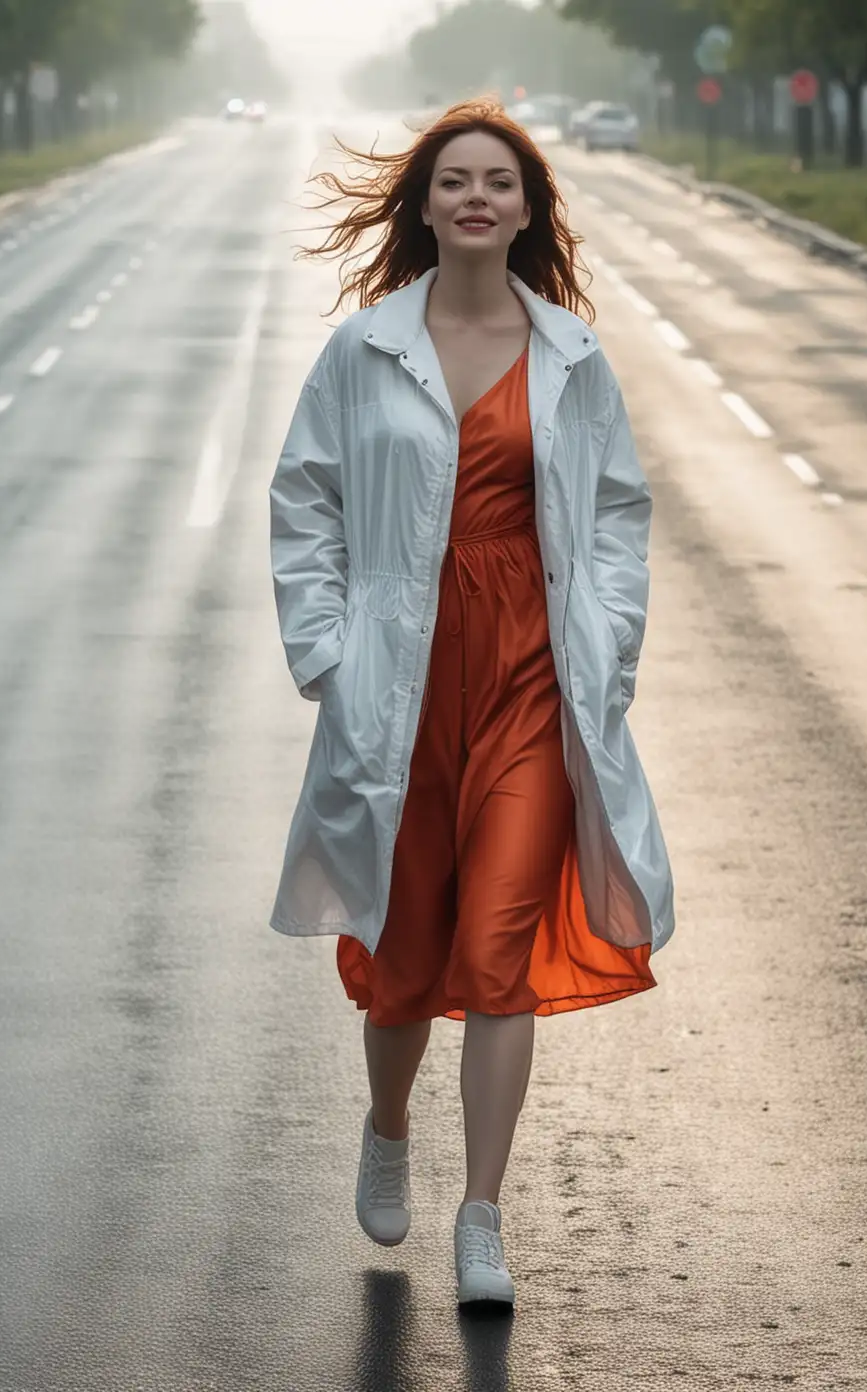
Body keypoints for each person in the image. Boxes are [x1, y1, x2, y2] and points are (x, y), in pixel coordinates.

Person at [266, 99, 677, 1311]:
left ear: (528, 207)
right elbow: (306, 503)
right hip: (400, 681)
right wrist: (327, 657)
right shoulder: (364, 350)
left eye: (500, 181)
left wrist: (612, 650)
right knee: (403, 957)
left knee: (501, 944)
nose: (478, 199)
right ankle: (388, 1121)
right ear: (427, 205)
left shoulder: (573, 357)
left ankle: (482, 1214)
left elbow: (615, 519)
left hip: (532, 682)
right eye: (456, 181)